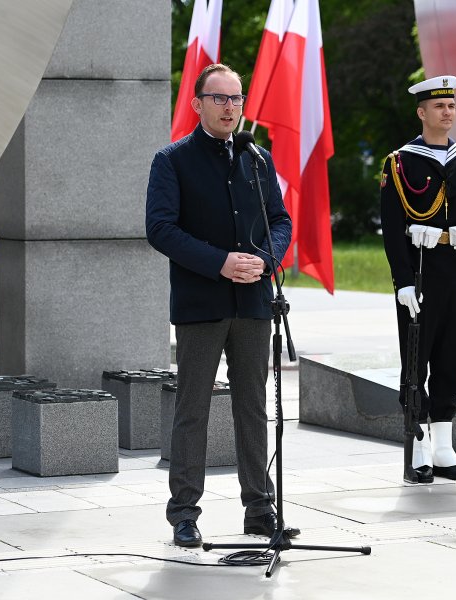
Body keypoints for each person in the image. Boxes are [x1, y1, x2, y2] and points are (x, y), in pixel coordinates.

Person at [145, 63, 298, 547]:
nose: (229, 106)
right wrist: (220, 263)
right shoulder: (171, 161)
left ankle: (259, 510)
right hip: (201, 303)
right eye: (219, 98)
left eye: (235, 98)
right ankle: (185, 514)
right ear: (198, 104)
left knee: (254, 408)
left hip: (254, 302)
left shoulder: (257, 158)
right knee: (193, 409)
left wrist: (265, 260)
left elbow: (280, 219)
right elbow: (161, 229)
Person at [380, 75, 456, 484]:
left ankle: (444, 448)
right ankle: (418, 445)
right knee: (416, 360)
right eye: (439, 106)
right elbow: (392, 228)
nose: (447, 112)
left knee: (449, 357)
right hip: (421, 272)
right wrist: (402, 280)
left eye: (452, 106)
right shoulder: (400, 162)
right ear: (421, 112)